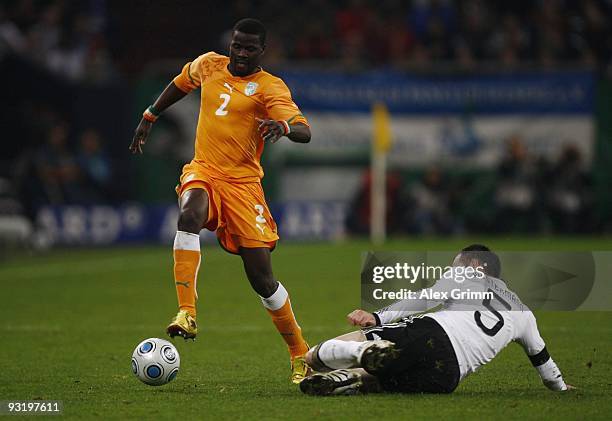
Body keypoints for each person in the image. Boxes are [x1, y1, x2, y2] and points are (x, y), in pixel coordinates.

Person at [129, 18, 311, 384]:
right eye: (236, 45)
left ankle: (300, 353)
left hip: (244, 187)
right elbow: (180, 83)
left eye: (249, 48)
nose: (240, 53)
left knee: (262, 280)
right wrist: (151, 114)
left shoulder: (269, 87)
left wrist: (285, 127)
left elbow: (304, 130)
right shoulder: (208, 64)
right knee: (189, 214)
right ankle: (186, 312)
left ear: (262, 51)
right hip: (205, 171)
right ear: (230, 43)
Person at [299, 245, 573, 395]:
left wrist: (376, 316)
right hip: (447, 376)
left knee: (312, 359)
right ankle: (348, 379)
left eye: (457, 263)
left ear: (477, 265)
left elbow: (425, 299)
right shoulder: (524, 313)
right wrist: (561, 387)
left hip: (434, 334)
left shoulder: (467, 276)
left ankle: (358, 351)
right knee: (380, 380)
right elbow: (544, 364)